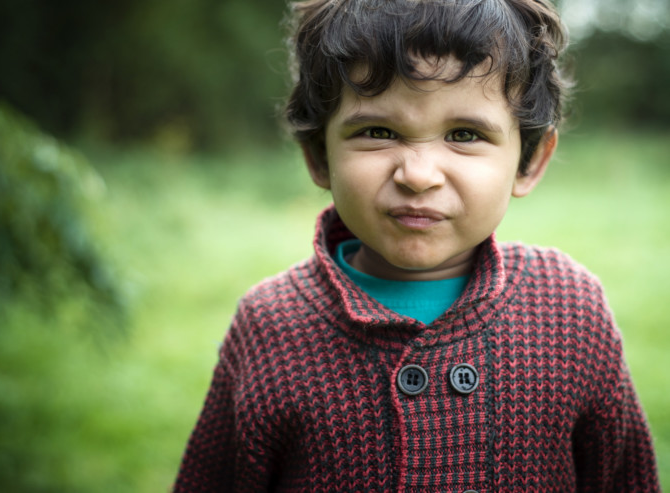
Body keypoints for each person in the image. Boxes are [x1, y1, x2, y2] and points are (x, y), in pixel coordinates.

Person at [172, 0, 660, 491]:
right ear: (320, 156)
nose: (419, 175)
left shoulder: (571, 310)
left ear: (529, 162)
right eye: (378, 132)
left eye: (465, 134)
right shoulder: (269, 326)